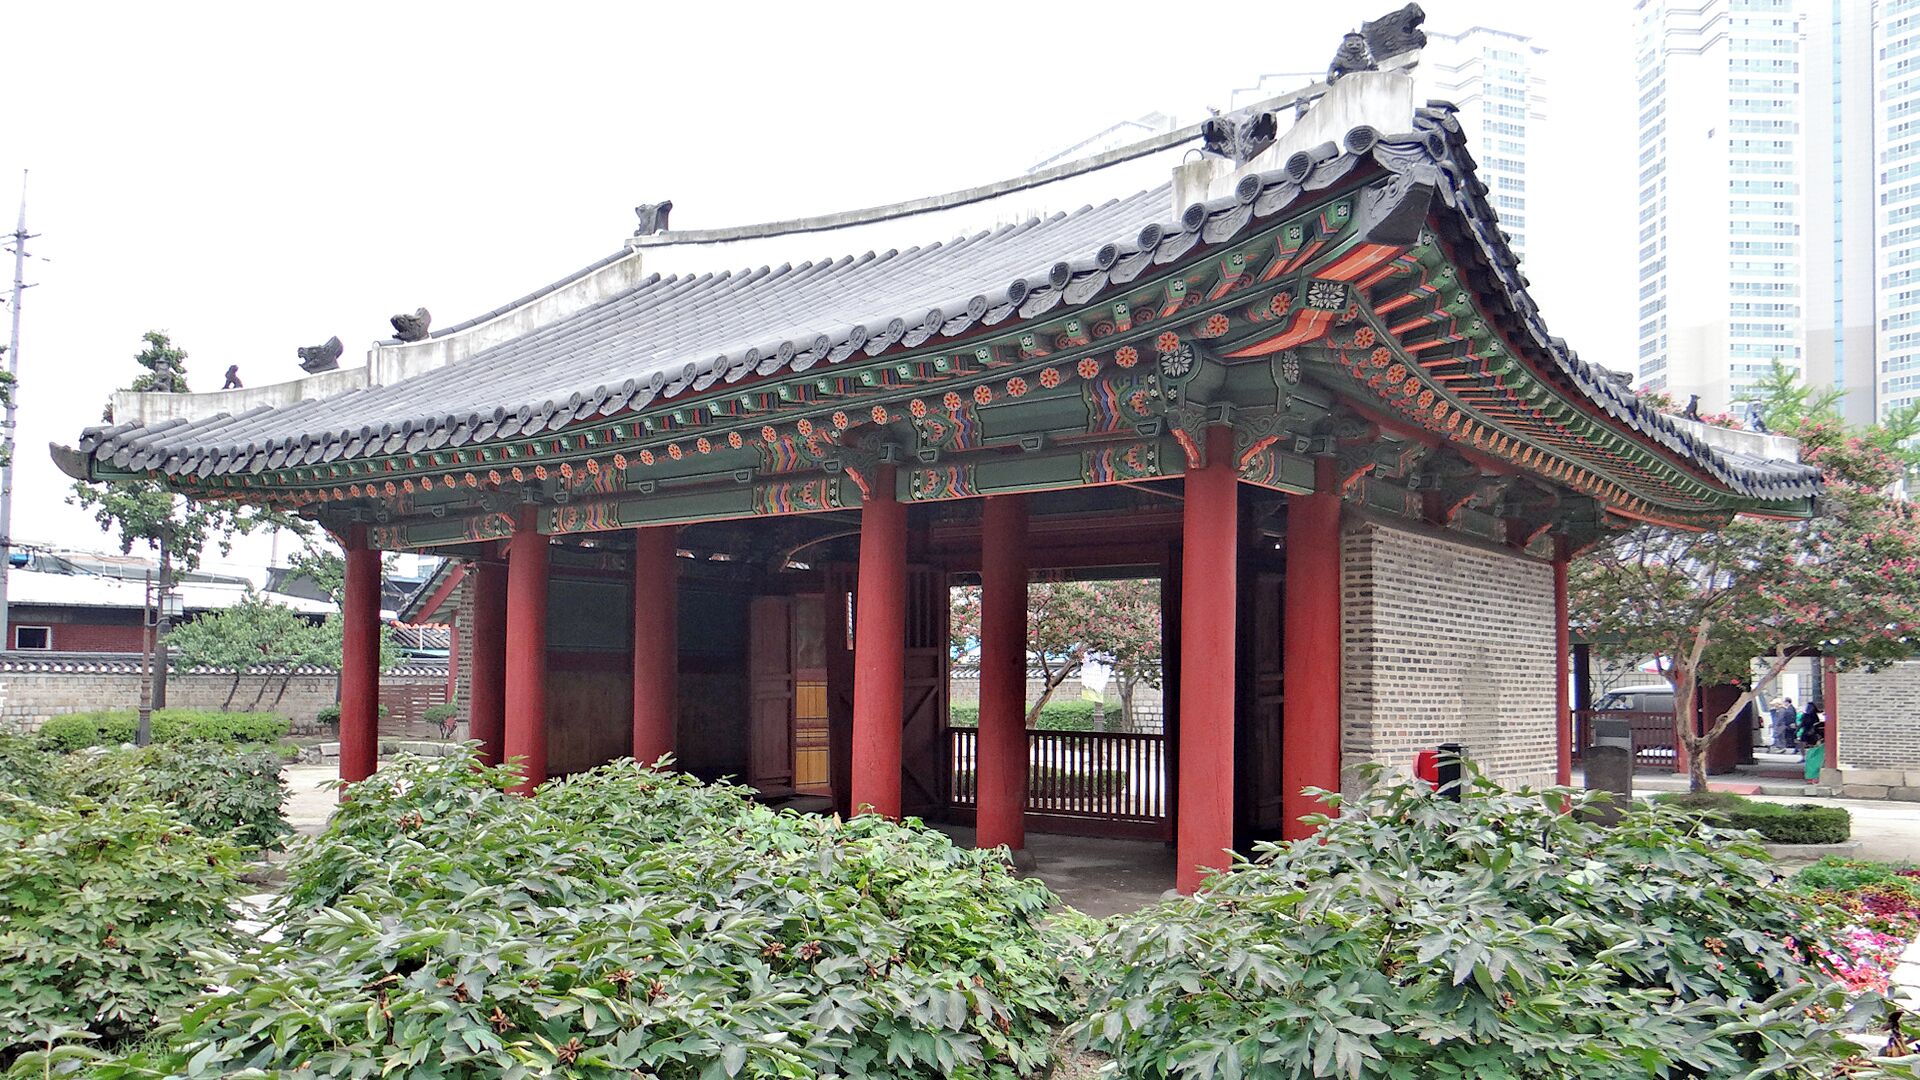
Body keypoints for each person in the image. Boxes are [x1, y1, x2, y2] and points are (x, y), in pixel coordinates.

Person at [1797, 701, 1826, 783]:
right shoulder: (1815, 716)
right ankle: (1814, 776)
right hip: (1814, 737)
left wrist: (1797, 731)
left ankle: (1803, 757)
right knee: (1814, 755)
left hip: (1807, 735)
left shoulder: (1806, 716)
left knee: (1808, 752)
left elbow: (1802, 724)